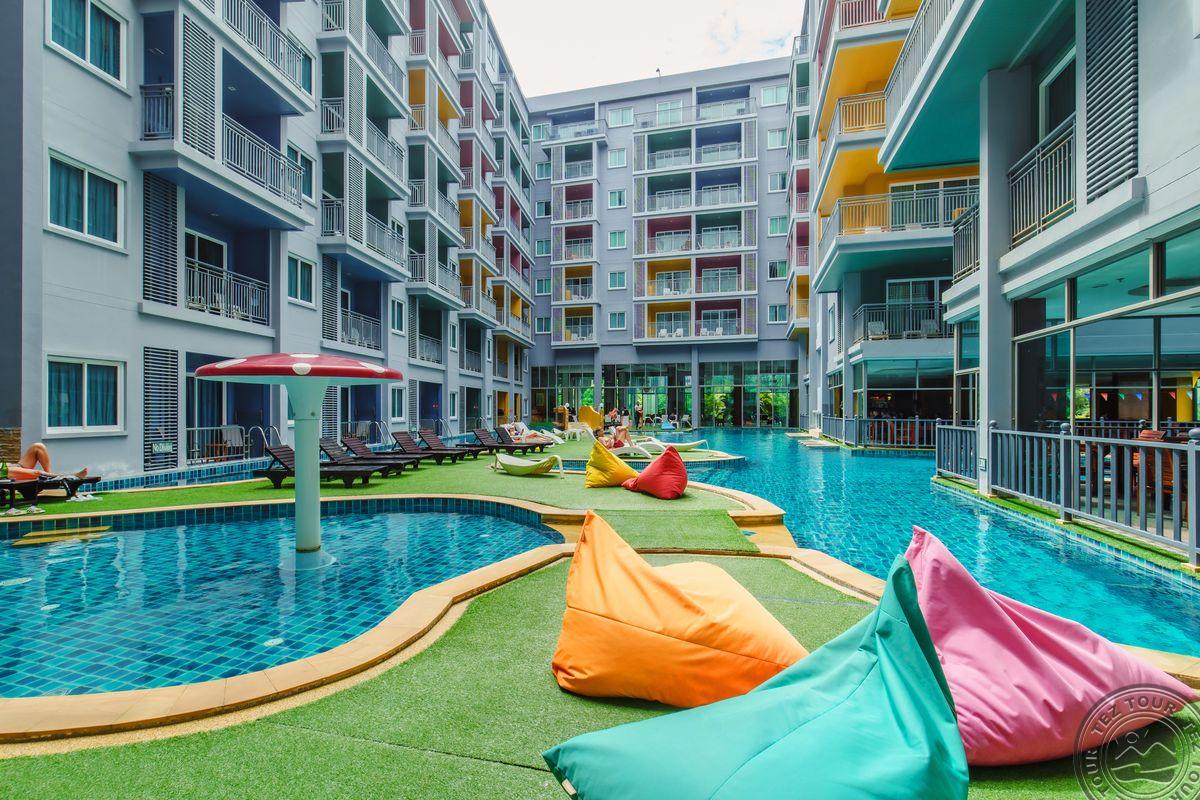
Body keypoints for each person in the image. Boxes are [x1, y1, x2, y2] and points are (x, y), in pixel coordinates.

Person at [4, 442, 88, 482]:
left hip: (12, 466)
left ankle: (50, 478)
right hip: (4, 472)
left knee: (38, 447)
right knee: (38, 473)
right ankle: (72, 476)